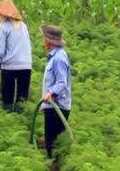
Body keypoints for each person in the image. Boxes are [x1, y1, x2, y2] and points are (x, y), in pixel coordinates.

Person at [0, 0, 33, 113]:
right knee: (22, 101)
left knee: (7, 102)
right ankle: (22, 124)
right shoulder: (23, 25)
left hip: (10, 68)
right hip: (26, 66)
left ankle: (9, 121)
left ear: (2, 14)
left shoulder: (2, 27)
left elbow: (0, 53)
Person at [40, 24, 72, 160]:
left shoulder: (58, 59)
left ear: (49, 41)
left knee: (53, 145)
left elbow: (61, 82)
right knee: (51, 142)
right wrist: (44, 105)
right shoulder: (55, 56)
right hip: (51, 106)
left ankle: (55, 165)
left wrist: (50, 94)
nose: (43, 41)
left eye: (43, 38)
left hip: (57, 106)